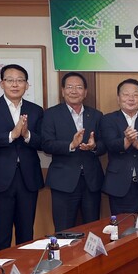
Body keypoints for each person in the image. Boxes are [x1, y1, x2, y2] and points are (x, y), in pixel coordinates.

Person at [0, 64, 44, 252]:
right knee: (0, 236)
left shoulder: (36, 110)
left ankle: (26, 269)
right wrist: (11, 135)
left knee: (26, 235)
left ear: (27, 85)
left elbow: (43, 142)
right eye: (10, 80)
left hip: (27, 180)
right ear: (2, 83)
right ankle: (0, 269)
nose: (15, 84)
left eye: (20, 80)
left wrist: (27, 134)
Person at [42, 72, 106, 231]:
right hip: (63, 181)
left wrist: (94, 146)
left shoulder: (96, 115)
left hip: (91, 181)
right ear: (63, 91)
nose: (74, 91)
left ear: (85, 92)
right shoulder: (51, 114)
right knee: (63, 230)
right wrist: (71, 145)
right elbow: (46, 144)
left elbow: (105, 144)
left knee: (92, 229)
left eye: (79, 87)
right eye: (69, 87)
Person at [100, 78, 138, 215]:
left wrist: (136, 142)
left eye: (135, 95)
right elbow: (110, 144)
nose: (131, 98)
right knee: (123, 226)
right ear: (118, 98)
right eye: (126, 94)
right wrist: (126, 141)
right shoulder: (108, 119)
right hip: (119, 184)